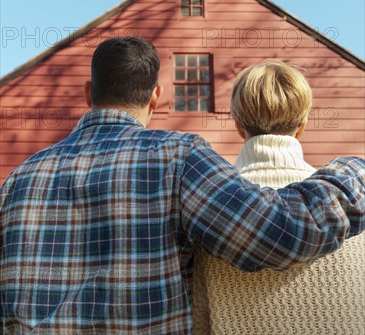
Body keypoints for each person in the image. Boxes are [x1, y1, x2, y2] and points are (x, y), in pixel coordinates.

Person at [0, 39, 364, 334]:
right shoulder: (176, 157)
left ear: (87, 92)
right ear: (155, 97)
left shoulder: (16, 181)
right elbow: (283, 231)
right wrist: (356, 174)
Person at [193, 60, 365, 335]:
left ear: (238, 126)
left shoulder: (207, 211)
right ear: (303, 125)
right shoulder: (352, 200)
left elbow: (199, 321)